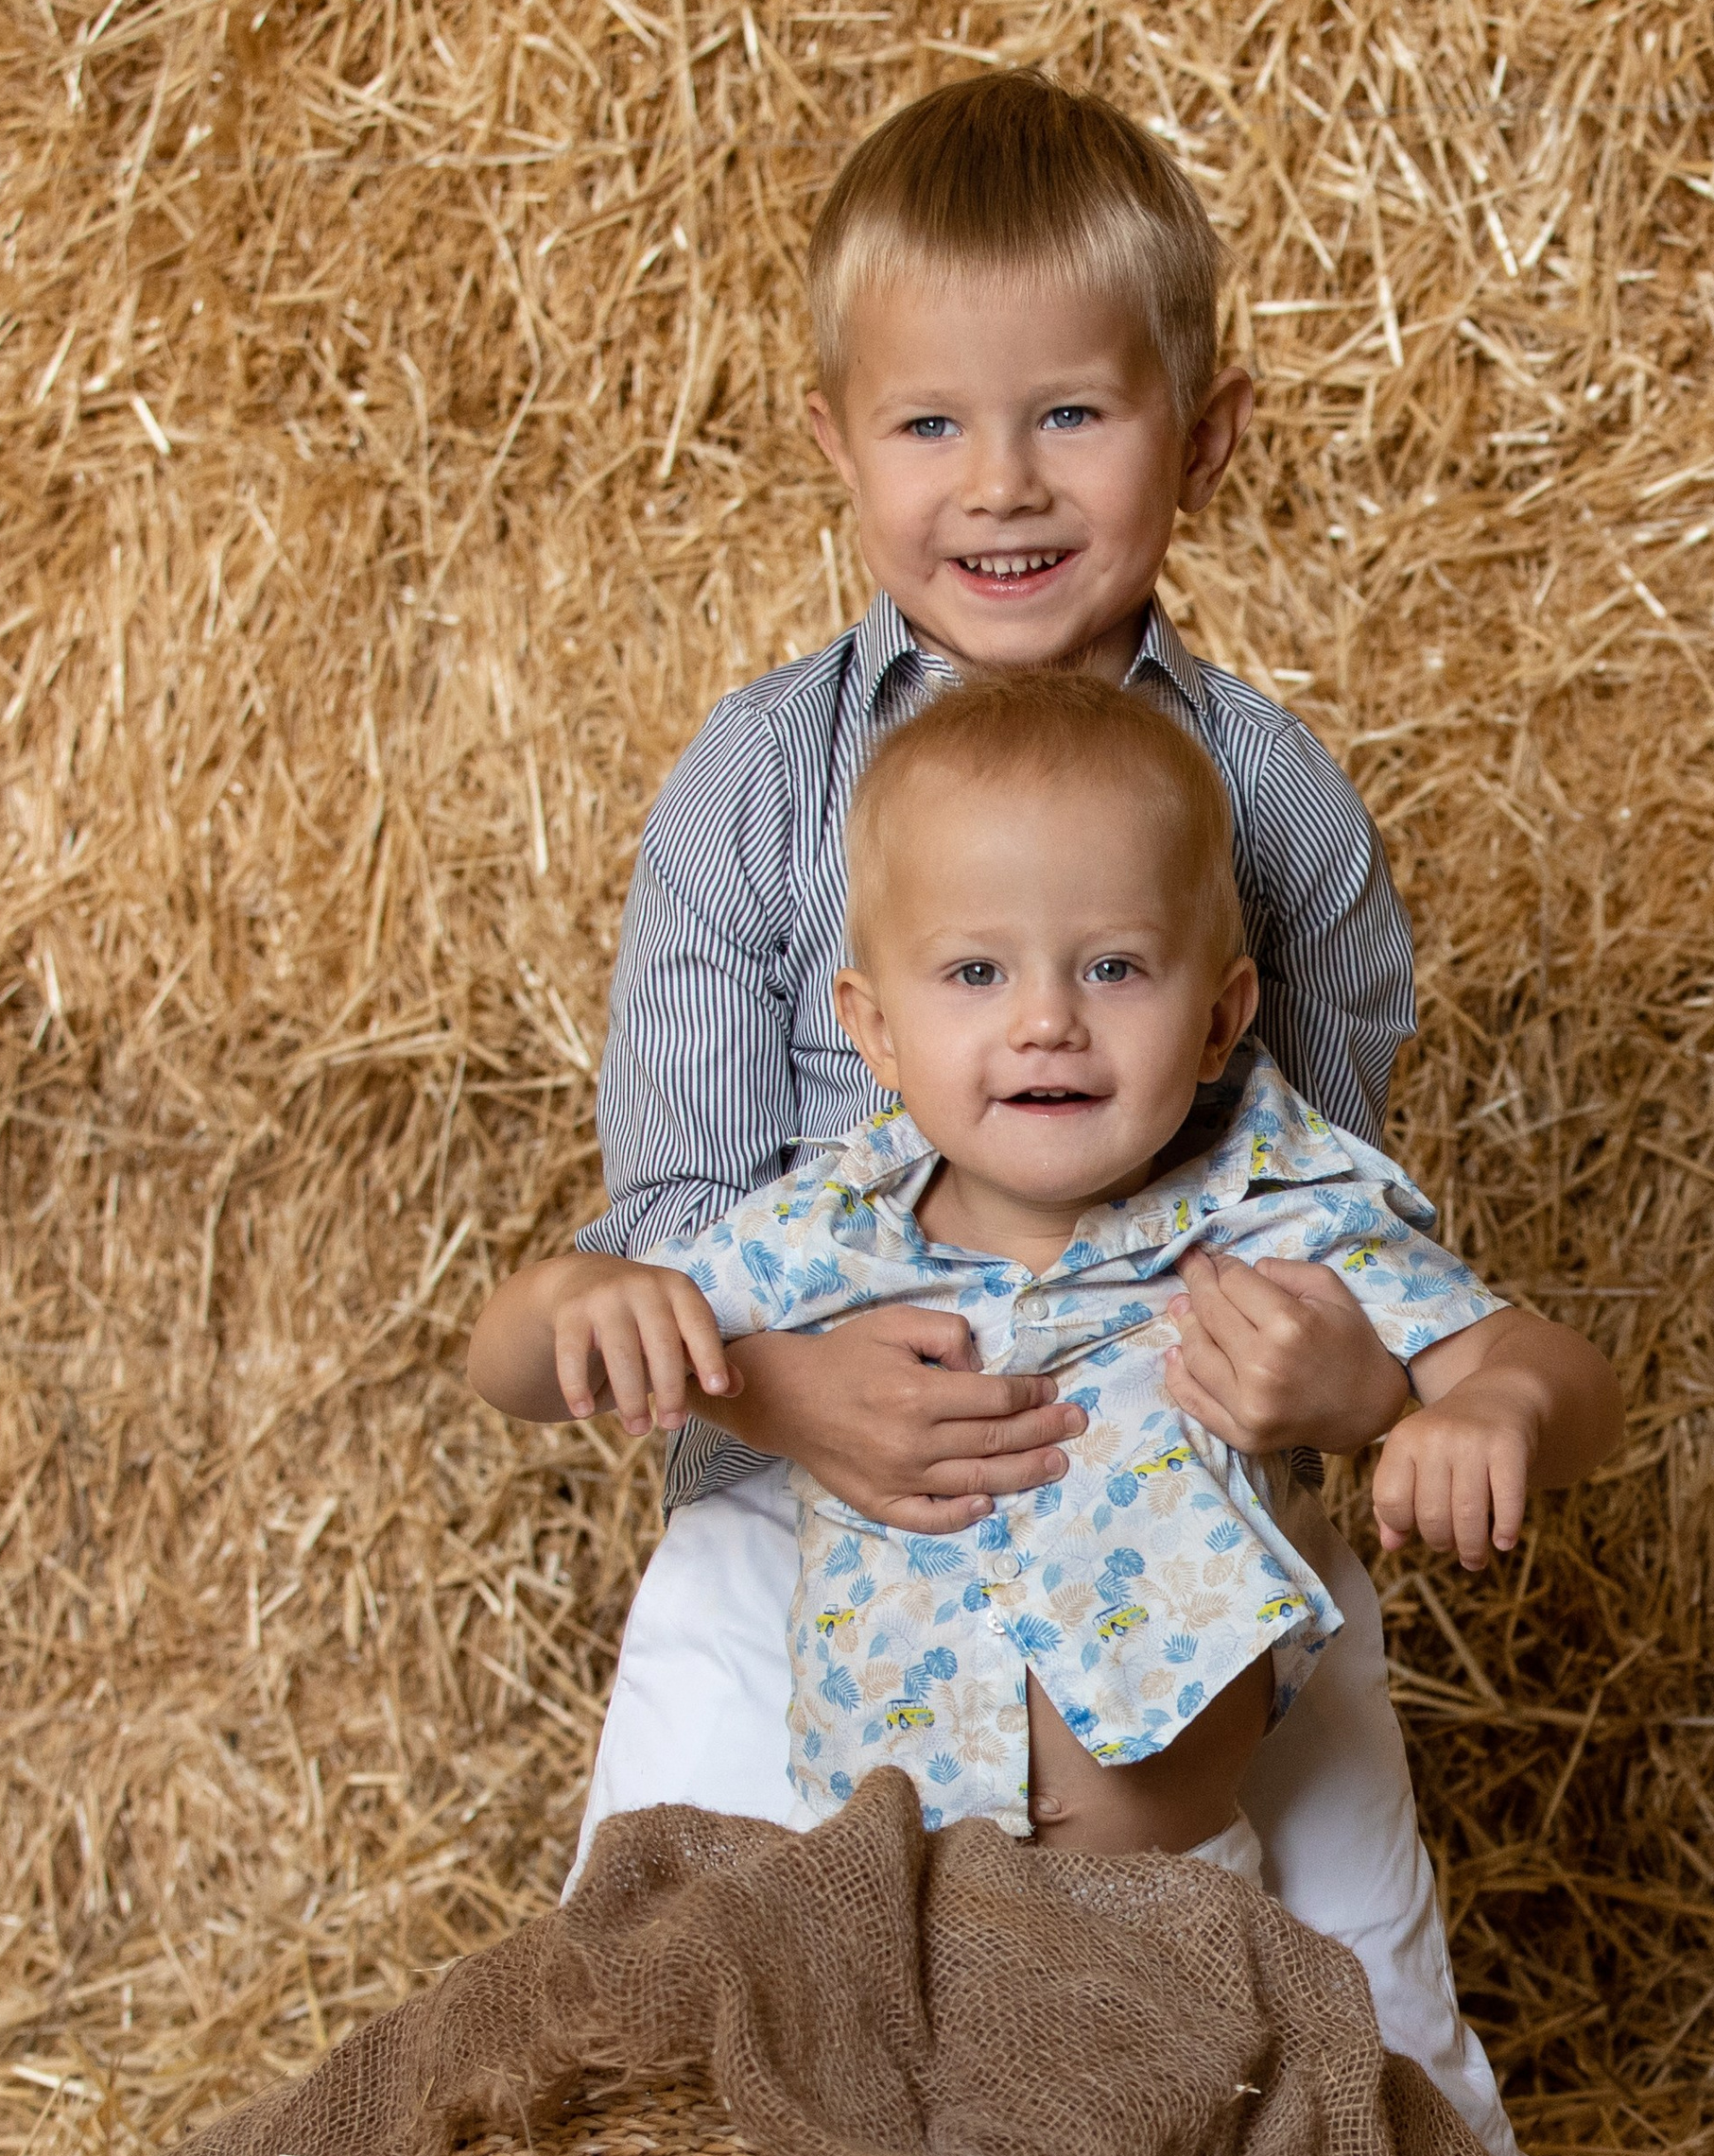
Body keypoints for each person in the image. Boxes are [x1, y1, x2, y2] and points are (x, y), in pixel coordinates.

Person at [469, 68, 1599, 2156]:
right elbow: (662, 1234)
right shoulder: (753, 792)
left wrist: (1355, 1394)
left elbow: (1302, 1201)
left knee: (1374, 2042)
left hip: (1182, 1560)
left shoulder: (1274, 812)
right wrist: (792, 1396)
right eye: (928, 427)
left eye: (1071, 416)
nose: (1000, 484)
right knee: (671, 2024)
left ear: (1205, 434)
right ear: (836, 446)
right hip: (807, 1527)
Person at [475, 676, 1622, 1911]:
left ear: (1222, 1016)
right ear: (873, 1030)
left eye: (1116, 968)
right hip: (874, 1909)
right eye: (975, 972)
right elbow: (514, 1372)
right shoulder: (836, 1231)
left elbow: (1565, 1382)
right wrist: (578, 1299)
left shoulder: (1270, 1213)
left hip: (1167, 1911)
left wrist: (1483, 1412)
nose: (1046, 1022)